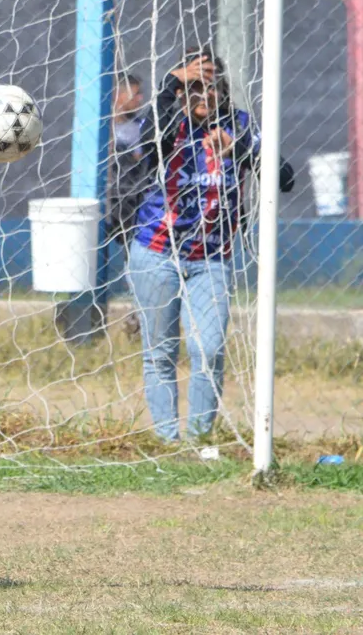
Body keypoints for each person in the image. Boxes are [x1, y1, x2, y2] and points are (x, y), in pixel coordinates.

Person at [128, 46, 295, 442]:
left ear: (223, 89)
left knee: (210, 349)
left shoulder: (239, 125)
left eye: (212, 86)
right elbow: (150, 147)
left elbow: (286, 177)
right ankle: (168, 440)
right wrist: (172, 82)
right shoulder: (168, 121)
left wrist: (238, 150)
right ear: (181, 91)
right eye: (194, 87)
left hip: (212, 259)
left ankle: (199, 439)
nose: (204, 95)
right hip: (156, 252)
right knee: (160, 353)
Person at [107, 73, 156, 336]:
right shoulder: (104, 128)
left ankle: (137, 312)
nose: (140, 99)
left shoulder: (142, 127)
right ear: (118, 95)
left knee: (135, 256)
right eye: (135, 94)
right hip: (111, 200)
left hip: (135, 200)